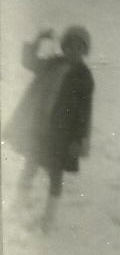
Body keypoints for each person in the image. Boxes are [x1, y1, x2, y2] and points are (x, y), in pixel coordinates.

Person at [5, 26, 94, 232]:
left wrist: (77, 139)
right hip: (40, 127)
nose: (73, 50)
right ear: (64, 47)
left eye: (79, 47)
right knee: (30, 165)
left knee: (55, 174)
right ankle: (19, 204)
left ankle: (49, 218)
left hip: (62, 135)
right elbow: (28, 61)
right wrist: (37, 39)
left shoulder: (84, 76)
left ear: (85, 50)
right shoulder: (52, 63)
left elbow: (84, 112)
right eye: (70, 46)